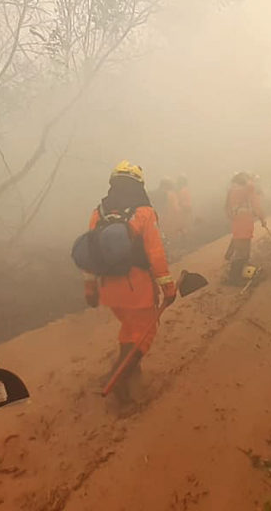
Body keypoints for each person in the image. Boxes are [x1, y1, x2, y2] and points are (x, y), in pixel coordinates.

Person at [84, 161, 177, 403]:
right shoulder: (145, 213)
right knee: (144, 334)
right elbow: (155, 253)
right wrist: (168, 286)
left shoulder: (98, 212)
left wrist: (90, 286)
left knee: (129, 327)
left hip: (108, 287)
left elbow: (90, 252)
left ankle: (128, 373)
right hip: (136, 286)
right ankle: (119, 380)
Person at [224, 171, 266, 285]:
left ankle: (236, 272)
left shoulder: (232, 190)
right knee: (243, 251)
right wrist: (263, 219)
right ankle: (235, 277)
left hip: (237, 222)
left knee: (240, 247)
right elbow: (256, 205)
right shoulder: (248, 189)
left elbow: (227, 208)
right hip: (245, 222)